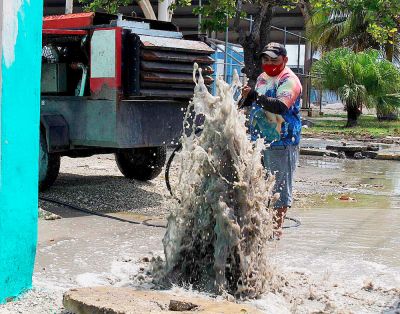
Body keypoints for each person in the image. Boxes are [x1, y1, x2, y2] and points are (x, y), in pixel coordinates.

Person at [240, 42, 302, 239]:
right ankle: (261, 226)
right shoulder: (262, 78)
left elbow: (280, 106)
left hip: (282, 142)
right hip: (259, 141)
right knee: (258, 184)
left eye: (274, 60)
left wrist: (255, 96)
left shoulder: (289, 80)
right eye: (265, 59)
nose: (269, 63)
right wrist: (246, 97)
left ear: (285, 60)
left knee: (279, 188)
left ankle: (276, 231)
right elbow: (254, 101)